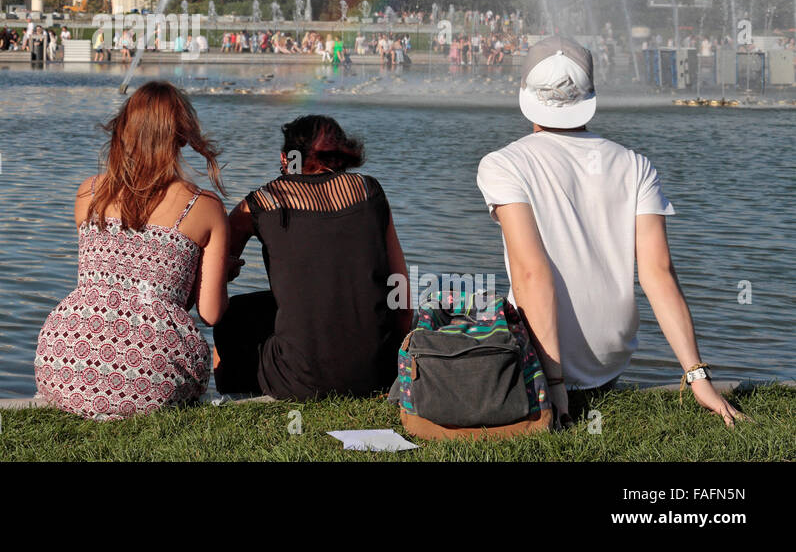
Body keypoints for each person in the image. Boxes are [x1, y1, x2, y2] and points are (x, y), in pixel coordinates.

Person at [476, 36, 748, 427]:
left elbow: (531, 275)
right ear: (591, 96)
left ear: (524, 95)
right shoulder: (636, 166)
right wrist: (697, 375)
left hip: (540, 365)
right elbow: (658, 274)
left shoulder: (503, 164)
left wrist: (554, 386)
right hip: (609, 361)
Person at [35, 81, 230, 419]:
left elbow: (110, 281)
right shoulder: (204, 206)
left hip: (64, 362)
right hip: (152, 377)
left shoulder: (89, 193)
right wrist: (218, 271)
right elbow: (211, 314)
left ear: (123, 130)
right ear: (183, 137)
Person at [213, 115, 409, 399]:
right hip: (378, 371)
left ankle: (226, 396)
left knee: (234, 312)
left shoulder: (261, 202)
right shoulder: (370, 192)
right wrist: (393, 358)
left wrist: (228, 268)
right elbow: (400, 289)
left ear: (286, 157)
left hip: (300, 381)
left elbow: (217, 269)